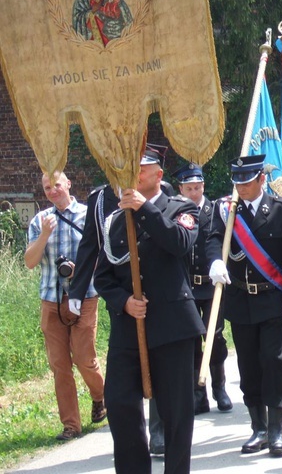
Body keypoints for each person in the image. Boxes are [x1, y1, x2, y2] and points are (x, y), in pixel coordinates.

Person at [94, 145, 205, 473]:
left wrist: (144, 209)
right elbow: (103, 276)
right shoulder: (116, 219)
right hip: (129, 327)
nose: (133, 173)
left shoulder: (181, 208)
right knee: (119, 405)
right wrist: (123, 302)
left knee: (176, 414)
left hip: (172, 326)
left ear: (158, 174)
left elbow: (179, 243)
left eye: (141, 168)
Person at [207, 155, 282, 456]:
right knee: (248, 363)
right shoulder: (225, 211)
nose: (242, 188)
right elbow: (212, 237)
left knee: (274, 360)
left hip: (272, 299)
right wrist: (213, 260)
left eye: (247, 182)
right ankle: (258, 428)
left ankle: (276, 429)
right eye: (237, 182)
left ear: (261, 180)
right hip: (240, 300)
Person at [24, 171, 106, 442]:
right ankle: (71, 425)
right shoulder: (39, 221)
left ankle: (100, 396)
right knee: (59, 365)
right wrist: (45, 234)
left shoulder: (88, 215)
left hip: (84, 297)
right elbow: (30, 261)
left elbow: (103, 256)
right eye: (47, 187)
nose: (52, 191)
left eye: (56, 185)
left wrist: (78, 270)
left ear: (68, 184)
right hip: (51, 298)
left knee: (84, 358)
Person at [172, 163, 232, 415]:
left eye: (197, 188)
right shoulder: (177, 212)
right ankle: (199, 391)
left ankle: (219, 386)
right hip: (187, 286)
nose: (194, 193)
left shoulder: (217, 210)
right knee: (192, 340)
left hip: (211, 287)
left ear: (203, 186)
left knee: (214, 337)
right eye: (189, 188)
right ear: (180, 189)